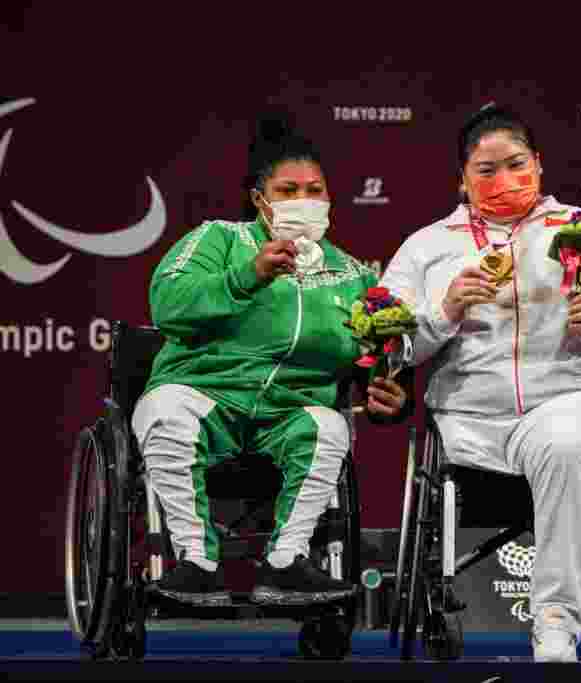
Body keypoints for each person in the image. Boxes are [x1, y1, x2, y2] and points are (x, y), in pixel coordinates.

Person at [379, 104, 581, 662]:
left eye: (515, 164)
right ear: (461, 178)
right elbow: (389, 347)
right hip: (468, 420)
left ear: (538, 164)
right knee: (554, 444)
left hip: (568, 402)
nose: (502, 181)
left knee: (565, 445)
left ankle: (557, 625)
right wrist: (442, 312)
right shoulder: (427, 247)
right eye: (485, 170)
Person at [131, 111, 411, 607]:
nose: (304, 200)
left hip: (289, 415)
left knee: (329, 427)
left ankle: (286, 562)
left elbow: (377, 360)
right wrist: (246, 275)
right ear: (260, 200)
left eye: (315, 189)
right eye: (287, 190)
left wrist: (392, 393)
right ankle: (196, 560)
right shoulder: (219, 240)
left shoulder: (351, 274)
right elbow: (169, 303)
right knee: (165, 413)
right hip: (206, 398)